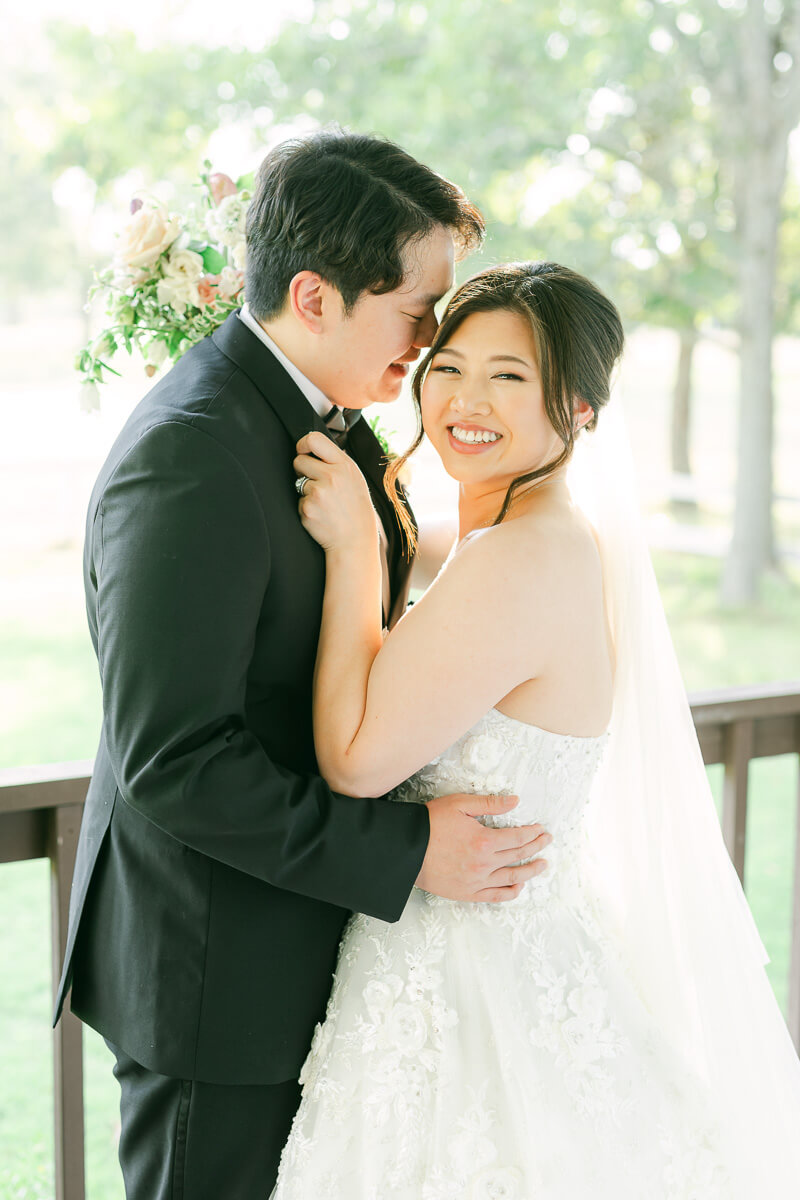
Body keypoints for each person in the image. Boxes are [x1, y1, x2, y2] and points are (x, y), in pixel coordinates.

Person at [52, 133, 555, 1200]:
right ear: (315, 297)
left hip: (298, 958)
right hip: (213, 981)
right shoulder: (193, 455)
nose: (427, 344)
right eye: (416, 312)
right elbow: (176, 760)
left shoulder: (316, 415)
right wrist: (407, 850)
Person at [273, 261, 800, 1197]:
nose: (466, 401)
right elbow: (439, 554)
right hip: (475, 956)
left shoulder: (520, 558)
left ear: (581, 410)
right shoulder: (535, 532)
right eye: (449, 366)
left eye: (510, 377)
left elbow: (355, 761)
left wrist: (356, 550)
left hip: (478, 993)